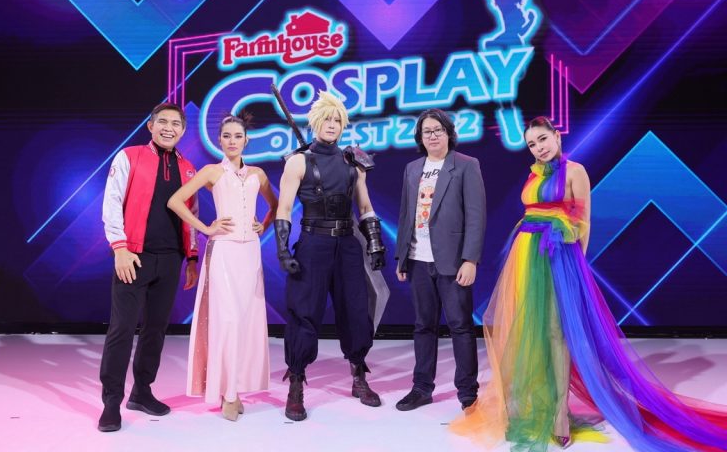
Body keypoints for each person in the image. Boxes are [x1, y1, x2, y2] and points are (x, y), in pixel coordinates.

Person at [451, 116, 727, 451]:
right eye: (532, 144)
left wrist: (575, 268)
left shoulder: (575, 171)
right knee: (528, 329)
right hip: (526, 256)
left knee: (556, 333)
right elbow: (531, 213)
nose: (538, 148)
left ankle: (559, 413)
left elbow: (583, 222)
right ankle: (530, 402)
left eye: (542, 139)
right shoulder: (534, 173)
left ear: (556, 136)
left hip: (558, 256)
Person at [274, 90, 386, 421]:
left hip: (347, 244)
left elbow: (365, 205)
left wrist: (375, 244)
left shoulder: (354, 162)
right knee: (304, 312)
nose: (332, 124)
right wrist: (283, 249)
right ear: (315, 122)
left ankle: (358, 374)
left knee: (355, 310)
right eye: (327, 119)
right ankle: (296, 383)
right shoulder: (298, 161)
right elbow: (283, 208)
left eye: (338, 120)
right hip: (313, 244)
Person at [167, 114, 277, 422]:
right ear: (219, 140)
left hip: (250, 254)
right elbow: (176, 201)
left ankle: (237, 388)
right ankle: (228, 394)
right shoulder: (212, 172)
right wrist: (205, 228)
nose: (232, 141)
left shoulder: (257, 174)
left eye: (237, 136)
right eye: (226, 136)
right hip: (223, 253)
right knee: (226, 321)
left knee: (246, 323)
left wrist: (263, 225)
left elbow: (275, 205)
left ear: (246, 140)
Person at [98, 102, 199, 432]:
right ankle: (111, 401)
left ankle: (142, 391)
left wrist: (192, 257)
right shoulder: (129, 156)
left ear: (183, 131)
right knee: (122, 329)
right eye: (163, 122)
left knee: (155, 330)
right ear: (151, 126)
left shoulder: (188, 169)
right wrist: (120, 248)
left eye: (176, 124)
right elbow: (112, 202)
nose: (169, 128)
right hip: (134, 256)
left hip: (170, 259)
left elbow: (191, 214)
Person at [393, 108, 486, 412]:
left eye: (438, 130)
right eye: (427, 132)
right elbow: (406, 214)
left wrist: (470, 259)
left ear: (448, 133)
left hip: (453, 261)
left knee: (460, 325)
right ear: (420, 138)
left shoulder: (466, 165)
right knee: (423, 326)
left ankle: (468, 392)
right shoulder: (412, 169)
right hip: (418, 259)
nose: (432, 136)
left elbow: (476, 216)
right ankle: (422, 388)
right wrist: (402, 256)